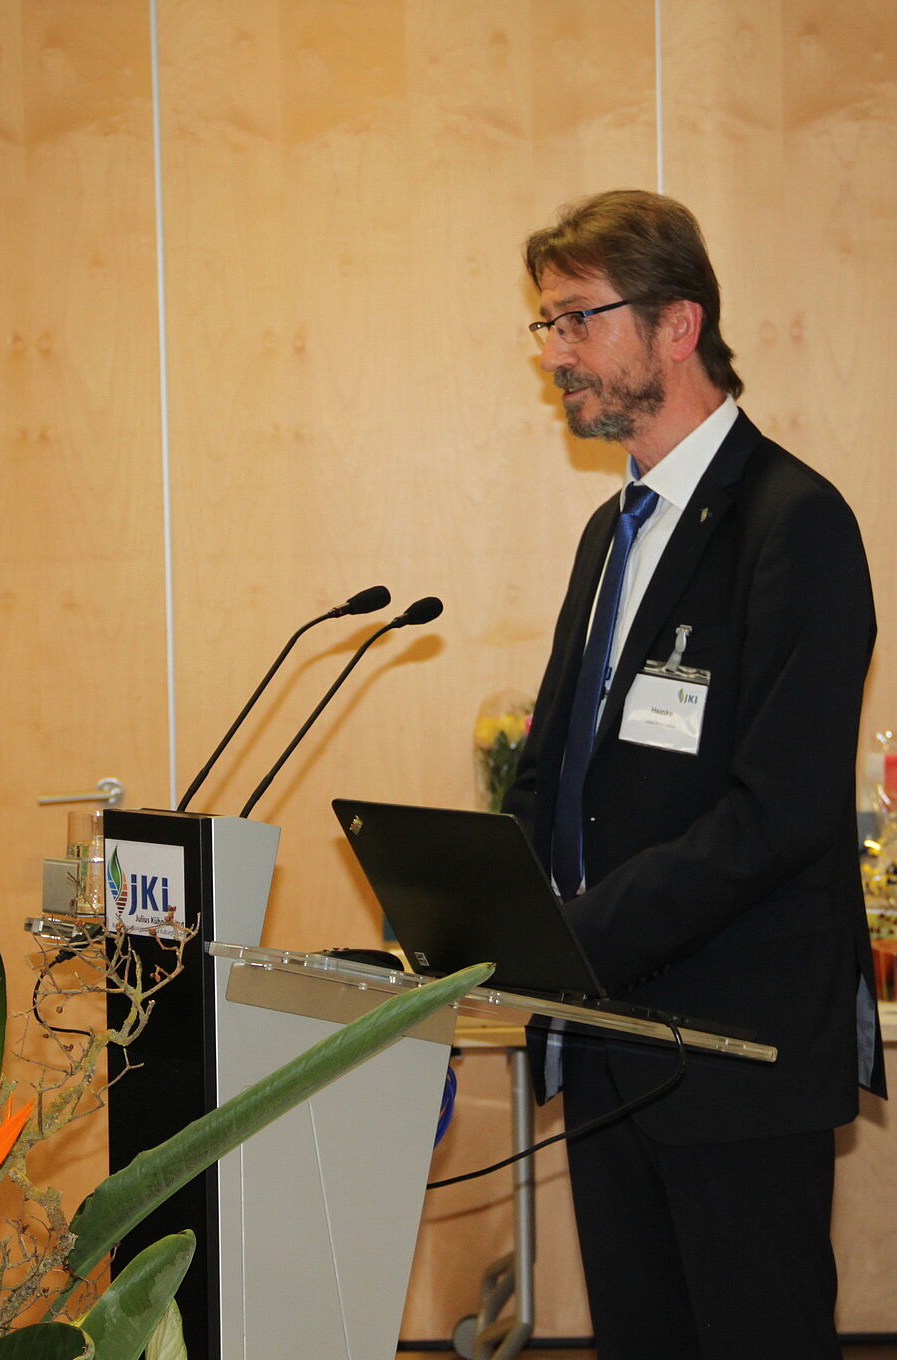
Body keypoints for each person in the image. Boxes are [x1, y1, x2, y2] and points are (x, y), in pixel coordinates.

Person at [502, 189, 886, 1360]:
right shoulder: (609, 533)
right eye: (548, 326)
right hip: (615, 1048)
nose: (557, 351)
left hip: (737, 1058)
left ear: (678, 325)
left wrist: (577, 935)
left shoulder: (795, 522)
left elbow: (775, 814)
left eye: (578, 320)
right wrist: (493, 905)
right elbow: (557, 768)